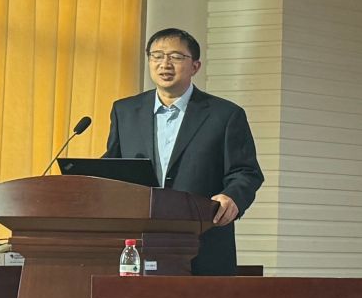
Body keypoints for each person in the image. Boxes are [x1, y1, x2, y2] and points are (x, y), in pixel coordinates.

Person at [104, 28, 264, 275]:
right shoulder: (125, 111)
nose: (164, 64)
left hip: (203, 241)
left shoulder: (225, 115)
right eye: (156, 56)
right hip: (139, 243)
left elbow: (246, 172)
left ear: (195, 66)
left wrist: (231, 197)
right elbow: (113, 167)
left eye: (176, 57)